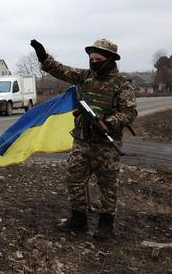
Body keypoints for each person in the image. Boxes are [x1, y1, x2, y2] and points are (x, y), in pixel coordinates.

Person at [30, 38, 137, 239]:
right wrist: (44, 58)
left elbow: (130, 112)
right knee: (74, 179)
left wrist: (110, 122)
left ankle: (106, 224)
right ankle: (78, 219)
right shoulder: (85, 76)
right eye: (91, 58)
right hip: (82, 141)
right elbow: (62, 71)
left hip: (107, 145)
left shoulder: (122, 85)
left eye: (98, 59)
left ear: (110, 59)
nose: (93, 62)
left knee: (107, 184)